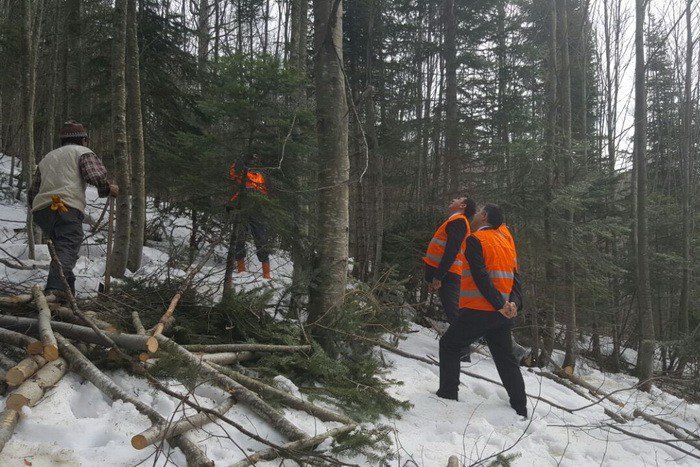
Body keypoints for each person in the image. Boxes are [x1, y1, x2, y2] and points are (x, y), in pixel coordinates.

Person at [437, 203, 527, 418]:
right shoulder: (506, 243)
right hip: (502, 313)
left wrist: (498, 304)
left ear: (485, 216)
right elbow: (515, 280)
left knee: (449, 344)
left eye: (478, 213)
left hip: (480, 309)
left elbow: (480, 277)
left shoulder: (475, 239)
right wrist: (513, 304)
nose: (475, 215)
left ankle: (448, 395)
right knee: (506, 359)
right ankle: (520, 407)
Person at [28, 121, 118, 300]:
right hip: (66, 206)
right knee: (68, 246)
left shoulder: (47, 158)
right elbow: (95, 175)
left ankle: (66, 295)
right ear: (84, 139)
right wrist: (108, 188)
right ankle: (55, 289)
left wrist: (37, 208)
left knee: (63, 248)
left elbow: (33, 191)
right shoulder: (82, 152)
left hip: (42, 210)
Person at [228, 157, 271, 279]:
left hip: (258, 209)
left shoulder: (262, 173)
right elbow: (232, 174)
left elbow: (266, 191)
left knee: (261, 238)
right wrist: (240, 161)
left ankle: (266, 274)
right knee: (239, 236)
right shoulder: (240, 169)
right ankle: (241, 269)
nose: (254, 160)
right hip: (241, 206)